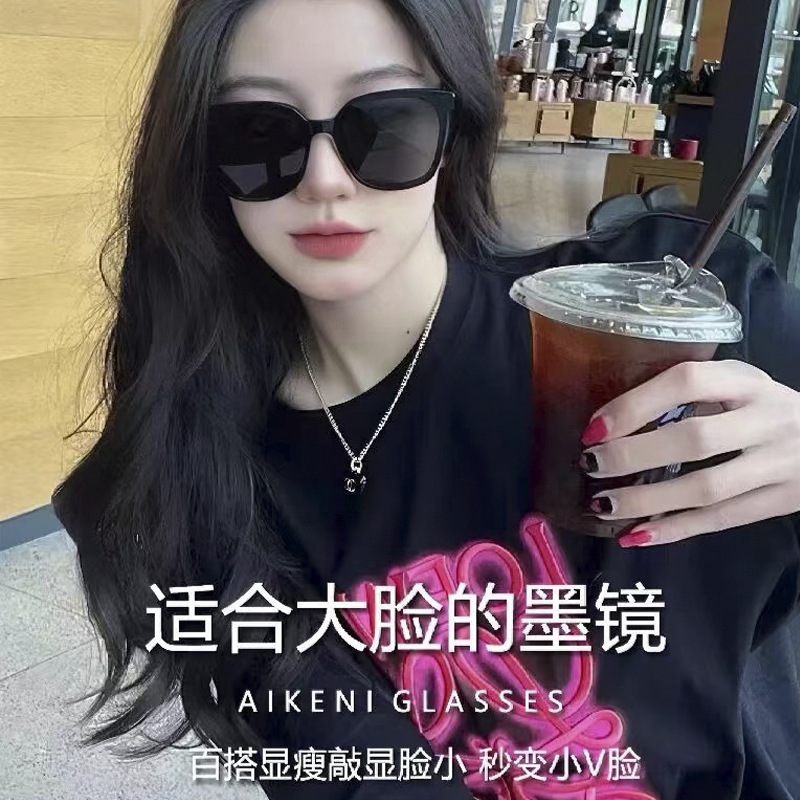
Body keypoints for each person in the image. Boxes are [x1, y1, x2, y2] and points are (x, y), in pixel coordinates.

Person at [52, 0, 800, 799]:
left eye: (386, 121)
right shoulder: (196, 479)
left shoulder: (679, 315)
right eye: (259, 132)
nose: (325, 181)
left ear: (455, 129)